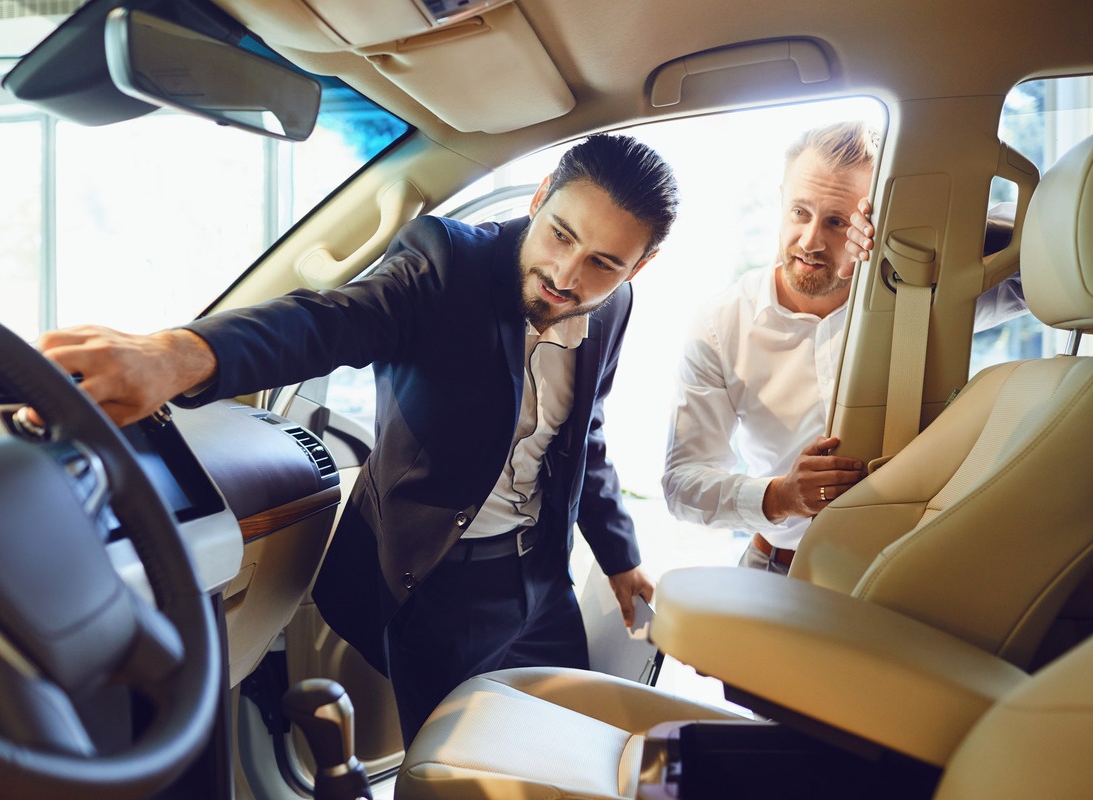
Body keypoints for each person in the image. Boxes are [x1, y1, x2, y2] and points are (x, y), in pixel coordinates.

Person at [36, 133, 677, 745]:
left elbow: (583, 434)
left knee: (565, 748)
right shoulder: (445, 262)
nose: (566, 274)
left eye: (603, 263)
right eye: (561, 234)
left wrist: (619, 558)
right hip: (440, 585)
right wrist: (179, 355)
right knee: (454, 770)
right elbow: (329, 323)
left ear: (639, 268)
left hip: (542, 578)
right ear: (539, 197)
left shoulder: (611, 307)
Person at [662, 121, 1026, 575]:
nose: (810, 241)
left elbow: (1046, 259)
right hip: (778, 569)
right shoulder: (721, 324)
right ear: (781, 200)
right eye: (800, 212)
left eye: (837, 221)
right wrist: (780, 496)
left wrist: (926, 232)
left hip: (908, 570)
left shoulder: (925, 295)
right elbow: (682, 484)